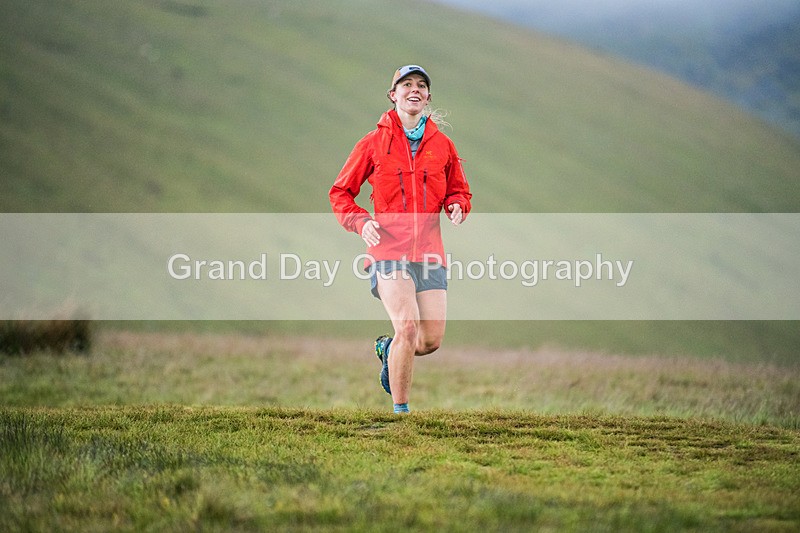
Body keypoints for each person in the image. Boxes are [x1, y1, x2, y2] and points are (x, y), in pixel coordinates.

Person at [329, 64, 472, 414]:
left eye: (421, 85)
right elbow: (340, 193)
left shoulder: (442, 145)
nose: (414, 90)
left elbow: (459, 190)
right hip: (388, 251)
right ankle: (401, 413)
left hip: (429, 253)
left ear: (427, 96)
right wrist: (361, 223)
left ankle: (387, 348)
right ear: (393, 95)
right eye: (406, 84)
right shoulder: (373, 143)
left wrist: (456, 205)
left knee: (429, 341)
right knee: (408, 327)